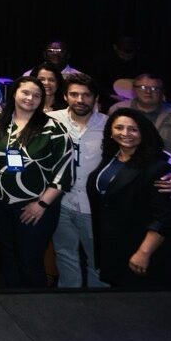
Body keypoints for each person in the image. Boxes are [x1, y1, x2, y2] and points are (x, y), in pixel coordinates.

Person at [0, 76, 75, 288]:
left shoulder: (54, 128)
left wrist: (41, 205)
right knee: (9, 256)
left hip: (34, 206)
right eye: (25, 92)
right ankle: (13, 304)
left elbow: (64, 173)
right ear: (14, 93)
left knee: (29, 260)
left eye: (37, 96)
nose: (30, 98)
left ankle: (36, 308)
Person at [87, 109, 171, 286]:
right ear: (111, 132)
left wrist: (144, 252)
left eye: (133, 129)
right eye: (119, 128)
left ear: (143, 132)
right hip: (112, 244)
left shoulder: (158, 166)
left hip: (137, 247)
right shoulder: (111, 156)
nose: (125, 133)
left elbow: (165, 217)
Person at [48, 74, 109, 288]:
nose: (80, 100)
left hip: (95, 205)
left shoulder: (110, 125)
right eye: (74, 94)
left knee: (98, 261)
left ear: (95, 98)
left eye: (86, 95)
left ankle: (99, 307)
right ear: (65, 96)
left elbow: (149, 148)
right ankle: (69, 304)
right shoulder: (52, 120)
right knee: (65, 255)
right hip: (62, 201)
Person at [109, 73, 171, 171]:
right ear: (134, 90)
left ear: (162, 92)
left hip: (158, 173)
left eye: (155, 88)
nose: (148, 91)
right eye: (143, 87)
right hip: (119, 169)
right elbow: (106, 140)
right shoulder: (117, 110)